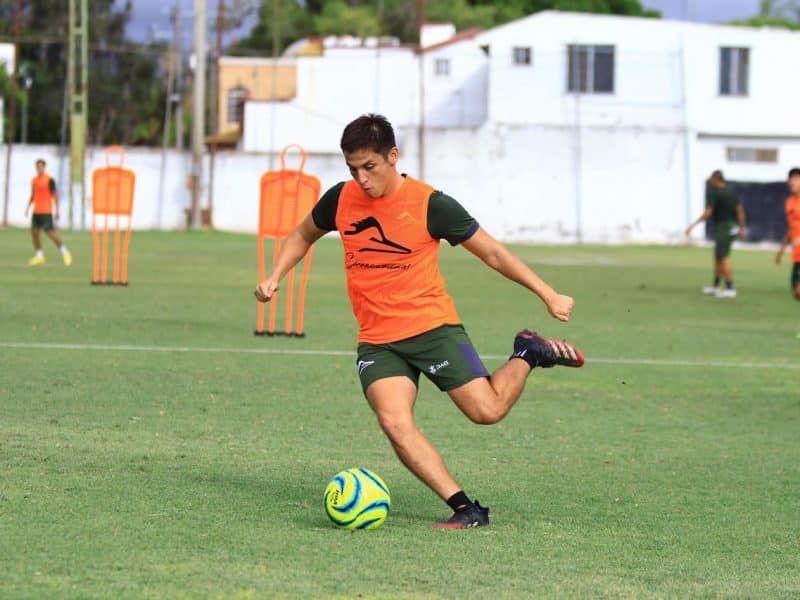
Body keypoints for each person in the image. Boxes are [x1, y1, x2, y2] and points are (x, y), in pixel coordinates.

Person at [254, 114, 584, 529]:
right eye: (352, 169)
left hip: (432, 329)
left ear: (392, 156)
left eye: (369, 167)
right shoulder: (340, 199)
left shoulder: (431, 204)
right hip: (378, 340)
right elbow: (302, 234)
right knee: (394, 421)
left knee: (487, 411)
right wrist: (274, 276)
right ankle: (466, 507)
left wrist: (548, 293)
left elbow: (493, 253)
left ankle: (528, 352)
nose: (361, 179)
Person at [685, 170, 746, 298]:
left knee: (723, 257)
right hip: (731, 228)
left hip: (723, 229)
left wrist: (693, 225)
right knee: (718, 257)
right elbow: (740, 211)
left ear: (716, 179)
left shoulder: (714, 192)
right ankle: (716, 286)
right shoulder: (731, 192)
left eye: (711, 180)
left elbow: (708, 212)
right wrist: (741, 228)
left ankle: (730, 288)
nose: (710, 182)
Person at [24, 159, 72, 267]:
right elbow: (33, 194)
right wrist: (28, 207)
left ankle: (65, 252)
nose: (39, 168)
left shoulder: (49, 180)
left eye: (41, 166)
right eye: (37, 167)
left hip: (46, 211)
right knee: (34, 233)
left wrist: (57, 210)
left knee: (50, 233)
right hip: (36, 211)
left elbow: (55, 195)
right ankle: (39, 256)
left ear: (44, 167)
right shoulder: (34, 180)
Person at [775, 167, 800, 301]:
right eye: (791, 179)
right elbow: (792, 229)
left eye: (796, 179)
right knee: (796, 293)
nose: (792, 182)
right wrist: (781, 249)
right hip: (797, 256)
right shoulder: (789, 202)